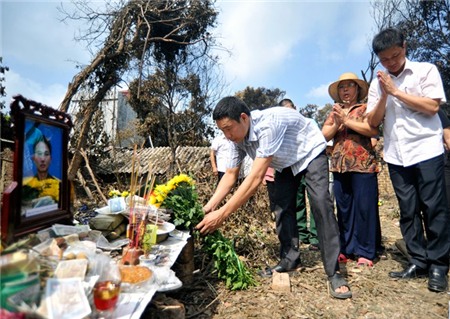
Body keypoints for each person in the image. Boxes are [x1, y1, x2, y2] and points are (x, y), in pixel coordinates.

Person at [196, 96, 352, 299]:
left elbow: (255, 178)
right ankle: (290, 260)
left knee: (320, 203)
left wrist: (222, 215)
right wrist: (208, 208)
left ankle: (334, 272)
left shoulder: (268, 125)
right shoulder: (235, 139)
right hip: (285, 162)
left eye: (229, 128)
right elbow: (230, 175)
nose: (227, 135)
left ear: (244, 118)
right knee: (281, 206)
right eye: (222, 131)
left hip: (310, 151)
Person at [367, 27, 449, 293]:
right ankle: (418, 259)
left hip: (426, 148)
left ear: (404, 46)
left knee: (433, 207)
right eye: (385, 59)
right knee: (408, 209)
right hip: (396, 154)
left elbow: (433, 106)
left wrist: (396, 91)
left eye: (395, 55)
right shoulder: (377, 82)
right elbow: (373, 121)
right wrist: (384, 94)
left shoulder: (425, 71)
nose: (390, 63)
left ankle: (438, 264)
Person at [322, 72, 381, 268]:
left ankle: (365, 251)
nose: (346, 89)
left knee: (365, 207)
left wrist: (347, 121)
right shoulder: (333, 113)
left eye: (350, 85)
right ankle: (346, 248)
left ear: (357, 89)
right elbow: (324, 135)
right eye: (342, 87)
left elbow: (372, 130)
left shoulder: (365, 108)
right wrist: (338, 122)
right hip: (339, 166)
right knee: (344, 208)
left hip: (363, 165)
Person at [279, 98, 319, 251]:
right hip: (293, 168)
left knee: (315, 200)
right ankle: (302, 234)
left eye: (290, 109)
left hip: (310, 166)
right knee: (297, 201)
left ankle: (316, 237)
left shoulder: (309, 122)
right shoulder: (282, 129)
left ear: (295, 108)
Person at [22, 136, 60, 207]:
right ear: (33, 158)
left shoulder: (59, 186)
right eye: (39, 154)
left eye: (46, 154)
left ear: (51, 158)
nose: (42, 159)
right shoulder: (25, 187)